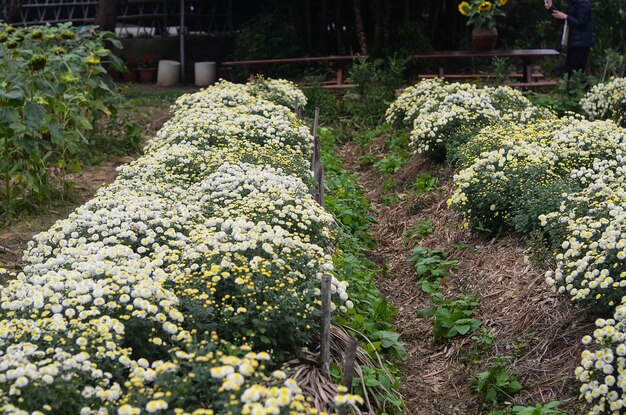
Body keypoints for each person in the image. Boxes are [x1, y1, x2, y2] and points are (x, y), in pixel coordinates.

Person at [544, 0, 594, 83]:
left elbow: (581, 23)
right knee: (571, 71)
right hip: (573, 43)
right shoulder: (573, 3)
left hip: (582, 44)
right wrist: (551, 8)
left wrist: (566, 17)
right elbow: (566, 21)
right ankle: (572, 92)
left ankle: (581, 91)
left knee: (577, 72)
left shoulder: (584, 3)